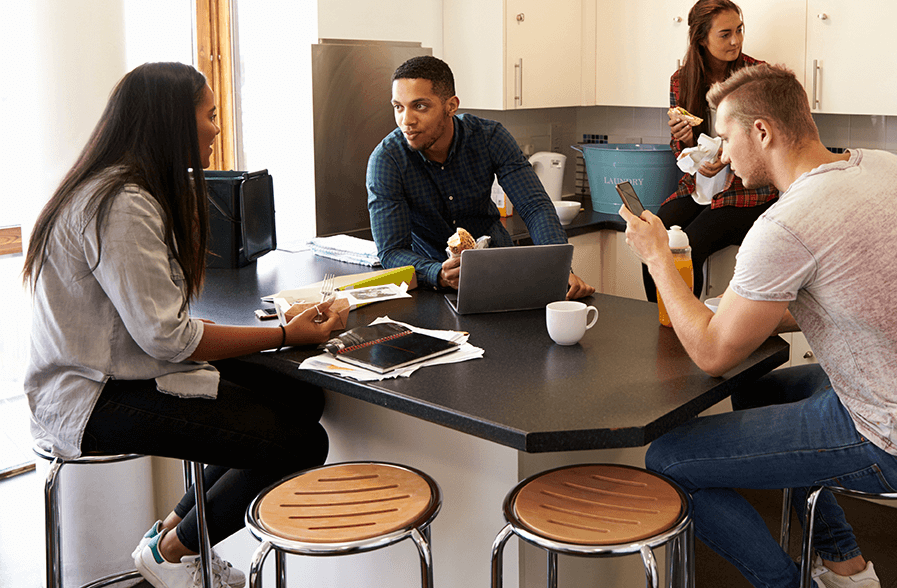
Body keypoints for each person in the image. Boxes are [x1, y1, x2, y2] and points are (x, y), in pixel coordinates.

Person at [622, 63, 897, 588]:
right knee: (758, 390)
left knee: (668, 459)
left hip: (894, 438)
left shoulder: (789, 222)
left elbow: (712, 354)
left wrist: (657, 257)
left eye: (724, 137)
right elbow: (849, 296)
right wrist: (745, 311)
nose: (719, 154)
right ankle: (844, 566)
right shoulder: (886, 167)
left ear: (761, 132)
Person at [23, 62, 347, 588]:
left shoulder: (116, 189)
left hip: (118, 372)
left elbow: (151, 319)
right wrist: (289, 333)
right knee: (303, 442)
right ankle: (175, 553)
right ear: (173, 123)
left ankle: (166, 540)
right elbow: (168, 338)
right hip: (92, 397)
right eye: (210, 115)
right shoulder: (123, 204)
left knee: (303, 399)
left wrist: (218, 329)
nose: (218, 129)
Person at [367, 55, 593, 298]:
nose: (406, 120)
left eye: (420, 106)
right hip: (430, 282)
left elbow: (534, 206)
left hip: (499, 266)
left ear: (451, 106)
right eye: (398, 107)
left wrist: (558, 267)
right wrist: (438, 274)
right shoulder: (387, 159)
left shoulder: (489, 137)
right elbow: (391, 250)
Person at [642, 0, 778, 303]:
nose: (736, 41)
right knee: (655, 234)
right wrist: (686, 141)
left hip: (747, 194)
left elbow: (770, 141)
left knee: (691, 242)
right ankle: (659, 322)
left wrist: (728, 157)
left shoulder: (758, 76)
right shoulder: (681, 81)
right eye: (725, 34)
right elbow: (683, 151)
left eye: (739, 30)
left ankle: (692, 330)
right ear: (701, 39)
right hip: (697, 188)